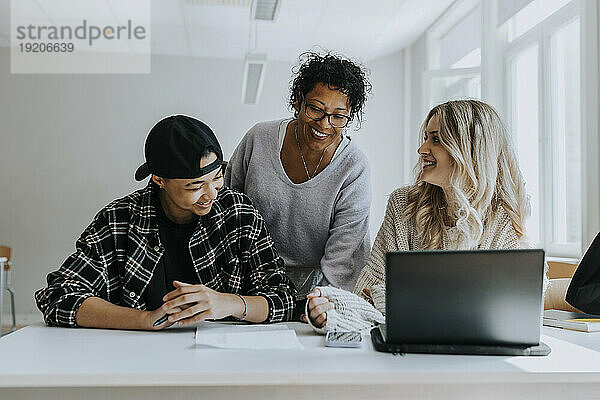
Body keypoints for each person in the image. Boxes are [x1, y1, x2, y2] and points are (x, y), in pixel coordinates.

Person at [305, 99, 547, 332]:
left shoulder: (504, 219)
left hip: (481, 358)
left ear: (468, 149)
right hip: (409, 352)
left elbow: (514, 304)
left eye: (437, 140)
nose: (422, 150)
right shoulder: (404, 205)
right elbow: (367, 288)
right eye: (425, 138)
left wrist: (403, 299)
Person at [35, 115, 296, 330]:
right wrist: (144, 319)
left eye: (217, 178)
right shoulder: (118, 220)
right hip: (137, 362)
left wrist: (229, 304)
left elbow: (285, 298)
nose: (212, 194)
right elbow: (59, 297)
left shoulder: (238, 213)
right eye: (195, 186)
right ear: (159, 179)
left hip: (224, 361)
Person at [225, 52, 372, 310]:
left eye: (339, 115)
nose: (325, 124)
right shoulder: (259, 139)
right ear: (298, 101)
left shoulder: (353, 167)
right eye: (316, 108)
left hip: (316, 288)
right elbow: (226, 207)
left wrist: (320, 306)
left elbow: (343, 256)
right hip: (250, 279)